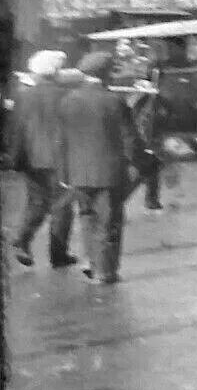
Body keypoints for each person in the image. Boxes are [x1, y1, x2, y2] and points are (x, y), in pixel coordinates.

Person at [58, 52, 138, 285]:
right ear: (104, 73)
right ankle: (105, 271)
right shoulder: (114, 101)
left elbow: (61, 142)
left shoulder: (67, 100)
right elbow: (129, 139)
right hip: (109, 173)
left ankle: (92, 263)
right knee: (109, 221)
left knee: (87, 218)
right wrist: (136, 162)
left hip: (78, 174)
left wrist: (64, 175)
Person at [4, 50, 77, 269]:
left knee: (36, 202)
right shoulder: (67, 95)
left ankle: (21, 241)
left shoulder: (23, 96)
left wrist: (15, 159)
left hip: (32, 160)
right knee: (62, 207)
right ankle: (58, 254)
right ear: (56, 71)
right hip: (61, 160)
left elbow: (15, 130)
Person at [124, 80, 165, 210]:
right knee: (143, 172)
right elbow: (143, 126)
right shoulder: (141, 105)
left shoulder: (135, 102)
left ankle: (151, 200)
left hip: (140, 144)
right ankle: (150, 200)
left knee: (149, 170)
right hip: (140, 144)